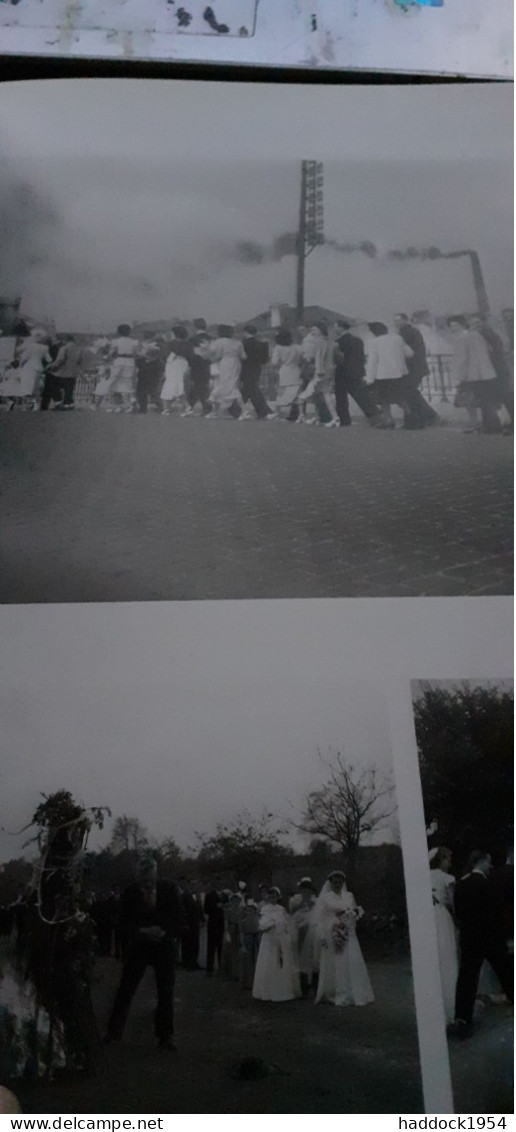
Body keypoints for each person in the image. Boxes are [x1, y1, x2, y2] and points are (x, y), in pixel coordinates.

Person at [105, 856, 183, 1050]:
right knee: (125, 989)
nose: (147, 883)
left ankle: (166, 1035)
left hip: (163, 946)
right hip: (139, 947)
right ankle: (114, 1031)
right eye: (143, 879)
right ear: (137, 876)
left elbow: (179, 917)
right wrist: (142, 931)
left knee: (165, 992)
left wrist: (164, 931)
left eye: (150, 879)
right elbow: (122, 922)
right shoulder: (130, 892)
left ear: (156, 874)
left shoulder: (170, 889)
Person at [448, 851, 513, 1038]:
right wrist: (506, 937)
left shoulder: (461, 885)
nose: (491, 866)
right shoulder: (489, 884)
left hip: (470, 939)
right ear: (480, 862)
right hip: (492, 939)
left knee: (467, 979)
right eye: (488, 862)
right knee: (507, 973)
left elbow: (458, 913)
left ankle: (462, 1019)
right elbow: (497, 915)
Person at [312, 871, 374, 1007]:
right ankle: (336, 992)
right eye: (335, 882)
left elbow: (353, 911)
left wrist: (353, 916)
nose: (338, 884)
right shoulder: (326, 897)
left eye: (340, 882)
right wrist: (322, 935)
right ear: (330, 882)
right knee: (336, 961)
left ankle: (353, 991)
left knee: (350, 960)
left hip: (348, 932)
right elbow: (320, 918)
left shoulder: (349, 895)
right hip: (332, 931)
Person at [447, 316, 502, 433]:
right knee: (484, 400)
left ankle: (478, 425)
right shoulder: (475, 335)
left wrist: (458, 376)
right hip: (484, 372)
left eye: (455, 326)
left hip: (470, 375)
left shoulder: (462, 338)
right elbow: (489, 350)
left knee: (470, 401)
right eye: (451, 326)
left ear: (463, 325)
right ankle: (490, 425)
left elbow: (461, 359)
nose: (453, 328)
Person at [252, 888, 300, 1002]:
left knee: (281, 962)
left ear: (278, 897)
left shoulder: (281, 910)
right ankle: (267, 990)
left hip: (281, 938)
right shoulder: (265, 909)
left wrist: (287, 934)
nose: (273, 898)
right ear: (268, 897)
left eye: (275, 896)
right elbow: (262, 925)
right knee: (269, 962)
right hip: (269, 940)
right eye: (271, 896)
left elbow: (287, 924)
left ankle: (281, 989)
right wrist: (270, 924)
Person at [393, 313, 440, 429]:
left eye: (398, 320)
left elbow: (406, 352)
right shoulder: (410, 331)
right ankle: (421, 418)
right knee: (410, 393)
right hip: (415, 367)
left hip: (411, 368)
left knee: (409, 393)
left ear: (405, 320)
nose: (396, 323)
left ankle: (424, 417)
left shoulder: (406, 333)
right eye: (395, 321)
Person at [429, 847, 458, 1023]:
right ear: (440, 860)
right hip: (441, 916)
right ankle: (450, 1002)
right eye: (447, 859)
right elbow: (453, 903)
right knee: (447, 955)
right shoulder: (447, 878)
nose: (450, 862)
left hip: (427, 918)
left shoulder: (425, 876)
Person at [469, 313, 513, 432]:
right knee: (503, 396)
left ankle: (494, 425)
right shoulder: (485, 333)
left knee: (501, 396)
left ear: (483, 322)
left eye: (477, 323)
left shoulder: (486, 334)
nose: (475, 325)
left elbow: (492, 352)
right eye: (473, 323)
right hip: (495, 369)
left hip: (495, 370)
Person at [365, 323, 413, 428]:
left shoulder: (375, 342)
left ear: (374, 332)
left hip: (382, 375)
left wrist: (369, 379)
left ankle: (388, 420)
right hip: (399, 374)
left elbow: (373, 362)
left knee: (383, 400)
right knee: (400, 398)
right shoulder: (398, 338)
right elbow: (409, 353)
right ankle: (412, 418)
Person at [333, 321, 380, 427]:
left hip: (342, 371)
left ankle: (344, 419)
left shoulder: (338, 342)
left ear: (340, 328)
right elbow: (361, 357)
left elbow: (337, 358)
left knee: (341, 396)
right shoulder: (358, 340)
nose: (335, 329)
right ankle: (374, 415)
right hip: (357, 370)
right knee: (360, 395)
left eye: (336, 327)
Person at [298, 324, 339, 427]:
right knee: (319, 394)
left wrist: (318, 371)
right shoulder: (330, 342)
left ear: (321, 331)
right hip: (329, 370)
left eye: (314, 330)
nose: (312, 332)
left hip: (321, 372)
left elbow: (319, 357)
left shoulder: (319, 342)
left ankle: (335, 417)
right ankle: (318, 416)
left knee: (323, 394)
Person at [207, 325, 246, 418]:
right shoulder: (237, 343)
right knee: (232, 384)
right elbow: (244, 356)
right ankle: (215, 411)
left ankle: (215, 411)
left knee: (223, 385)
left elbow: (211, 352)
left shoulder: (219, 342)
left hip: (225, 363)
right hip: (236, 363)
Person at [288, 877, 317, 997]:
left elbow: (319, 913)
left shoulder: (315, 900)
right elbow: (291, 912)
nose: (306, 893)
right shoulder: (295, 899)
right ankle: (303, 987)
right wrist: (301, 904)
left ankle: (314, 985)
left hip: (313, 928)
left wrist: (311, 905)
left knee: (314, 959)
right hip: (299, 926)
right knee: (301, 959)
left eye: (308, 891)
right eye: (304, 890)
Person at [40, 335, 84, 411]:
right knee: (69, 391)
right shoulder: (79, 350)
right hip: (73, 374)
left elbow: (60, 360)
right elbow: (80, 361)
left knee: (52, 385)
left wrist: (50, 367)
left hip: (63, 373)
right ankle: (69, 405)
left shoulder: (64, 348)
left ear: (65, 340)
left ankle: (58, 403)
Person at [239, 326, 273, 420]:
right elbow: (264, 360)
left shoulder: (243, 344)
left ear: (245, 332)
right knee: (251, 388)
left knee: (249, 389)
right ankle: (264, 410)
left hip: (245, 368)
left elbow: (241, 357)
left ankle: (236, 408)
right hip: (256, 368)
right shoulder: (261, 344)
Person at [270, 329, 304, 418]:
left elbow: (274, 362)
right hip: (296, 370)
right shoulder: (298, 347)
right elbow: (304, 359)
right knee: (297, 393)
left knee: (281, 393)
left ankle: (277, 412)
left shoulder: (278, 348)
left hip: (285, 370)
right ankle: (301, 413)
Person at [105, 325, 138, 413]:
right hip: (130, 362)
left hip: (119, 361)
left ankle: (115, 404)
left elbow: (111, 353)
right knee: (128, 383)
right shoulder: (134, 342)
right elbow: (135, 353)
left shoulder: (116, 341)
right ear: (129, 332)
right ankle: (129, 404)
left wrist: (107, 357)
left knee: (113, 382)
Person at [160, 326, 191, 415]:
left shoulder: (171, 344)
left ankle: (184, 406)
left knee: (171, 384)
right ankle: (169, 408)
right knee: (177, 384)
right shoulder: (188, 344)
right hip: (183, 363)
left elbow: (164, 355)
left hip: (173, 364)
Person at [17, 331, 52, 409]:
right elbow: (49, 360)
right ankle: (35, 405)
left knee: (26, 387)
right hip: (39, 368)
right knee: (35, 388)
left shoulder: (30, 346)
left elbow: (23, 358)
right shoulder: (45, 347)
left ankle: (26, 405)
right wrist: (46, 369)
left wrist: (18, 366)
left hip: (29, 368)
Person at [183, 330, 212, 417]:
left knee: (198, 390)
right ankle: (204, 408)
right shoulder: (200, 352)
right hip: (202, 373)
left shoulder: (195, 352)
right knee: (199, 391)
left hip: (199, 373)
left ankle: (192, 408)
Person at [135, 333, 164, 414]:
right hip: (152, 368)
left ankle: (143, 408)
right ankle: (159, 407)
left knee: (143, 390)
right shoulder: (153, 346)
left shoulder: (150, 346)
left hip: (148, 367)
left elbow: (141, 355)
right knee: (153, 389)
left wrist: (140, 353)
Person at [204, 883, 225, 976]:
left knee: (221, 947)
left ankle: (221, 967)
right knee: (211, 947)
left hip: (221, 924)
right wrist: (215, 907)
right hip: (212, 924)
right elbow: (206, 909)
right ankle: (209, 969)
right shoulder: (209, 896)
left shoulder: (225, 896)